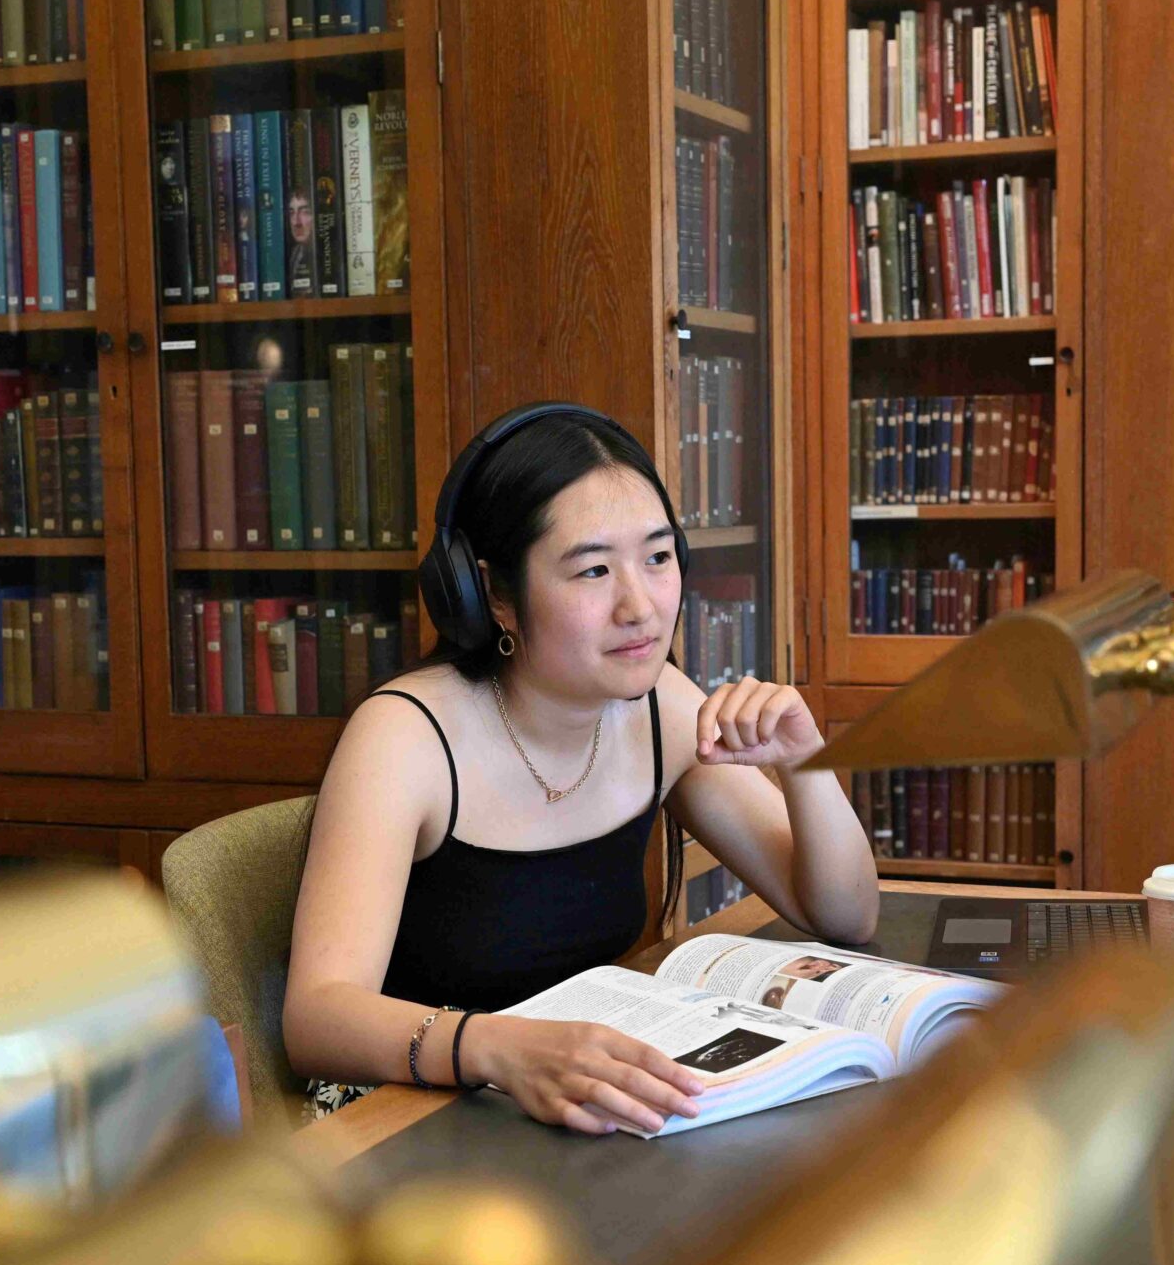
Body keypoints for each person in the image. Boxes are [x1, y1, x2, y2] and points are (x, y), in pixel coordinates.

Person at [284, 403, 881, 1136]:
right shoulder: (405, 737)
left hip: (573, 1112)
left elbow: (846, 914)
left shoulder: (658, 703)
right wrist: (498, 1048)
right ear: (490, 595)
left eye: (658, 558)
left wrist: (804, 764)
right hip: (409, 1117)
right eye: (594, 569)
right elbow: (316, 1016)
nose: (640, 606)